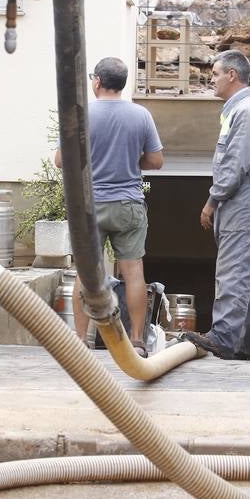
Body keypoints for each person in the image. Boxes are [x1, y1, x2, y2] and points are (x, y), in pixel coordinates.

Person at [55, 56, 163, 354]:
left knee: (85, 274)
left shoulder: (81, 114)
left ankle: (80, 340)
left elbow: (61, 160)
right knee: (134, 272)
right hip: (128, 203)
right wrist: (130, 160)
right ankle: (138, 341)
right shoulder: (141, 115)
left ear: (98, 81)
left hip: (90, 207)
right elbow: (156, 160)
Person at [184, 49, 250, 361]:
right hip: (246, 198)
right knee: (247, 269)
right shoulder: (241, 110)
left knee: (234, 267)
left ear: (232, 75)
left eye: (216, 73)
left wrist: (211, 202)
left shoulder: (245, 112)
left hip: (244, 199)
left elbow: (234, 167)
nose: (211, 78)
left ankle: (223, 336)